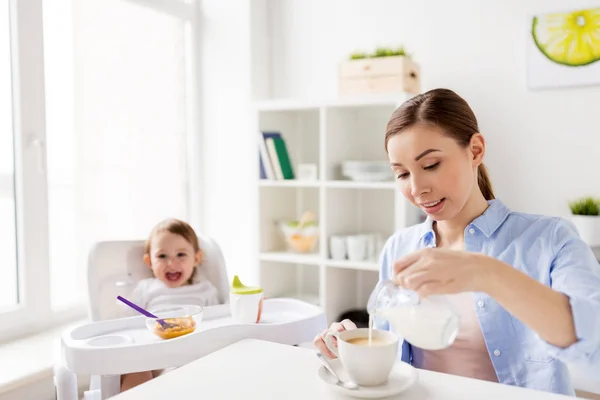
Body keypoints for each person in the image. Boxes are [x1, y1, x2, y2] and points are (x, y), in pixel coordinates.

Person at [313, 88, 600, 396]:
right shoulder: (399, 247)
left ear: (475, 150)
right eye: (402, 174)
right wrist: (350, 345)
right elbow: (388, 354)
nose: (417, 188)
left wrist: (486, 273)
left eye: (431, 165)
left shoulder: (550, 239)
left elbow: (593, 339)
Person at [120, 218, 220, 392]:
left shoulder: (206, 290)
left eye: (181, 255)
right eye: (162, 256)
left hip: (193, 354)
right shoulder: (146, 288)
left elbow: (217, 323)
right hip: (153, 355)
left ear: (197, 258)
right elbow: (128, 325)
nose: (171, 264)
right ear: (149, 262)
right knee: (134, 367)